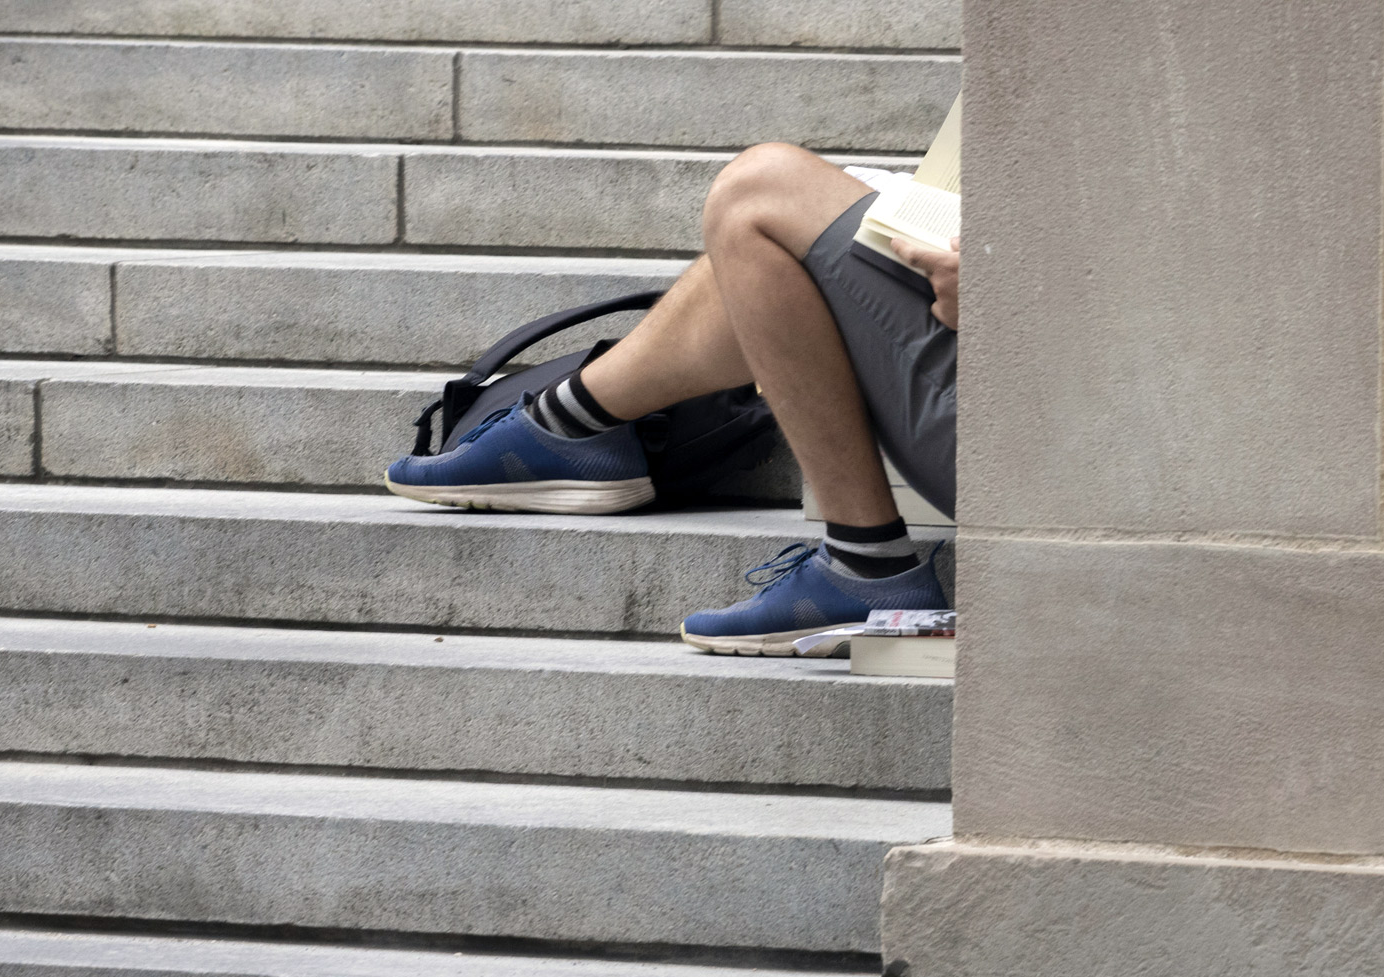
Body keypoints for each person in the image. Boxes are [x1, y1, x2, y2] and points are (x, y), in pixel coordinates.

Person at [383, 144, 959, 656]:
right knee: (779, 232)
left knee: (758, 190)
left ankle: (867, 563)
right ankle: (569, 427)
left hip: (1015, 439)